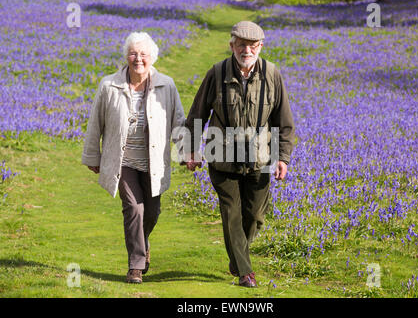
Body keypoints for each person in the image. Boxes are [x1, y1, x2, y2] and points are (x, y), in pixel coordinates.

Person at [184, 21, 295, 287]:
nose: (247, 50)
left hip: (259, 157)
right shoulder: (216, 73)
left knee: (255, 216)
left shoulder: (272, 74)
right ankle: (246, 273)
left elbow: (284, 121)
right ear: (232, 45)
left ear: (260, 46)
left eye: (252, 45)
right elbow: (197, 114)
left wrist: (283, 157)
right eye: (241, 45)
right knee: (231, 214)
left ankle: (237, 258)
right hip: (222, 156)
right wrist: (189, 149)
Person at [82, 32, 185, 284]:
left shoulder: (166, 85)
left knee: (152, 212)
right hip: (123, 160)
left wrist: (187, 152)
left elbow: (179, 122)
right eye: (133, 53)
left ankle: (143, 241)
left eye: (143, 54)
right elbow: (95, 123)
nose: (138, 59)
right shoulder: (109, 85)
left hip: (154, 162)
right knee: (134, 209)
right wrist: (92, 155)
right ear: (126, 56)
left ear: (152, 58)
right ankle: (135, 266)